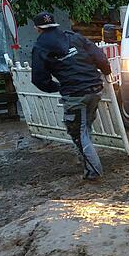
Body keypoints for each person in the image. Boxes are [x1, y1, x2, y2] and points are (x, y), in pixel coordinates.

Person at [31, 11, 112, 181]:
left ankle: (93, 172)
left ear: (37, 28)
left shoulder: (40, 47)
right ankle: (87, 164)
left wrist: (58, 87)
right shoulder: (74, 37)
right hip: (95, 88)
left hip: (75, 94)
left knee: (78, 133)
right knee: (85, 128)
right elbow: (99, 57)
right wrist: (106, 72)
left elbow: (39, 79)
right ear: (55, 24)